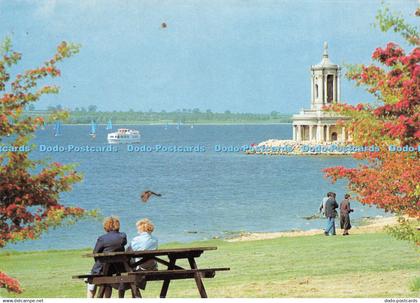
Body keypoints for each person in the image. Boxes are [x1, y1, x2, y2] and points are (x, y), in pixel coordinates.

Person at [87, 216, 127, 298]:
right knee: (107, 277)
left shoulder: (102, 238)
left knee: (91, 278)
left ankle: (89, 298)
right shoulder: (123, 236)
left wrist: (98, 263)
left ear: (106, 226)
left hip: (103, 268)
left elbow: (95, 253)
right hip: (117, 268)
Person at [117, 219, 158, 297]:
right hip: (152, 267)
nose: (137, 229)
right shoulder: (155, 239)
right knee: (130, 269)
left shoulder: (136, 239)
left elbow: (128, 252)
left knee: (126, 269)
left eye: (138, 228)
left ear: (141, 228)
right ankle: (132, 293)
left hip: (140, 267)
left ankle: (123, 292)